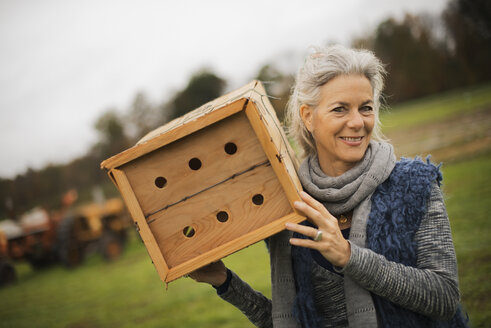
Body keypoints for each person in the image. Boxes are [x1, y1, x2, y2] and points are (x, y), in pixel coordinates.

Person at [188, 45, 468, 328]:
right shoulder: (290, 204)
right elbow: (292, 320)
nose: (357, 122)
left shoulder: (415, 184)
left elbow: (444, 297)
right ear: (308, 116)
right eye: (340, 109)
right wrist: (225, 282)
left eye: (366, 108)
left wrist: (349, 256)